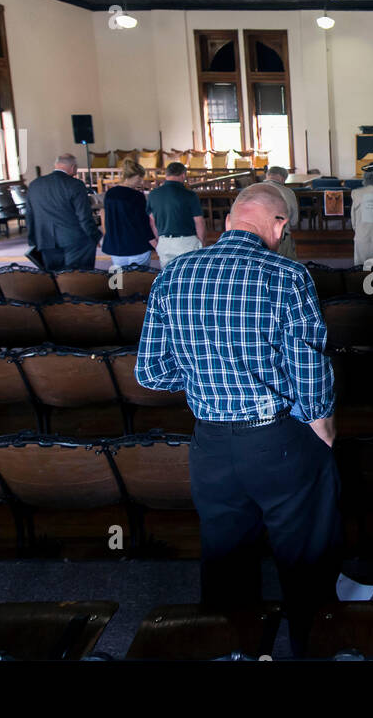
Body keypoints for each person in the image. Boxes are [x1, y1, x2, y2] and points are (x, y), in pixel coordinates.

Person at [135, 183, 339, 655]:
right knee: (304, 558)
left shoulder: (173, 273)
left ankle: (231, 649)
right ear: (279, 225)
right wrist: (323, 429)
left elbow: (151, 371)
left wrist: (205, 378)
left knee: (225, 562)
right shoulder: (287, 275)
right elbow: (309, 370)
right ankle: (310, 649)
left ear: (229, 222)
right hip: (277, 439)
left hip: (209, 443)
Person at [26, 154, 101, 270]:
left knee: (54, 276)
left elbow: (30, 216)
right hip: (75, 240)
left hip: (45, 239)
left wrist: (33, 241)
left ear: (56, 165)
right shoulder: (75, 184)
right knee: (78, 276)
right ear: (73, 167)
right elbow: (84, 216)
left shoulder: (35, 184)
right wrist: (94, 236)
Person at [147, 162, 206, 267]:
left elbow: (152, 222)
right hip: (187, 242)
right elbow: (199, 221)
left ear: (166, 175)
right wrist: (201, 241)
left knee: (167, 275)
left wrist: (159, 241)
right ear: (183, 175)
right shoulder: (190, 195)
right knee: (187, 273)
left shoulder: (153, 194)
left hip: (164, 241)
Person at [101, 159, 155, 269]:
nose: (141, 182)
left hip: (116, 246)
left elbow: (107, 219)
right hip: (137, 245)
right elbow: (143, 223)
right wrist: (153, 241)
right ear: (132, 176)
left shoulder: (110, 194)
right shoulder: (137, 196)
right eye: (139, 178)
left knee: (118, 277)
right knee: (139, 278)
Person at [263, 166, 300, 260]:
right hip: (280, 238)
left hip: (255, 238)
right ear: (282, 178)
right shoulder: (288, 192)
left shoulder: (250, 190)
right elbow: (294, 221)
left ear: (267, 175)